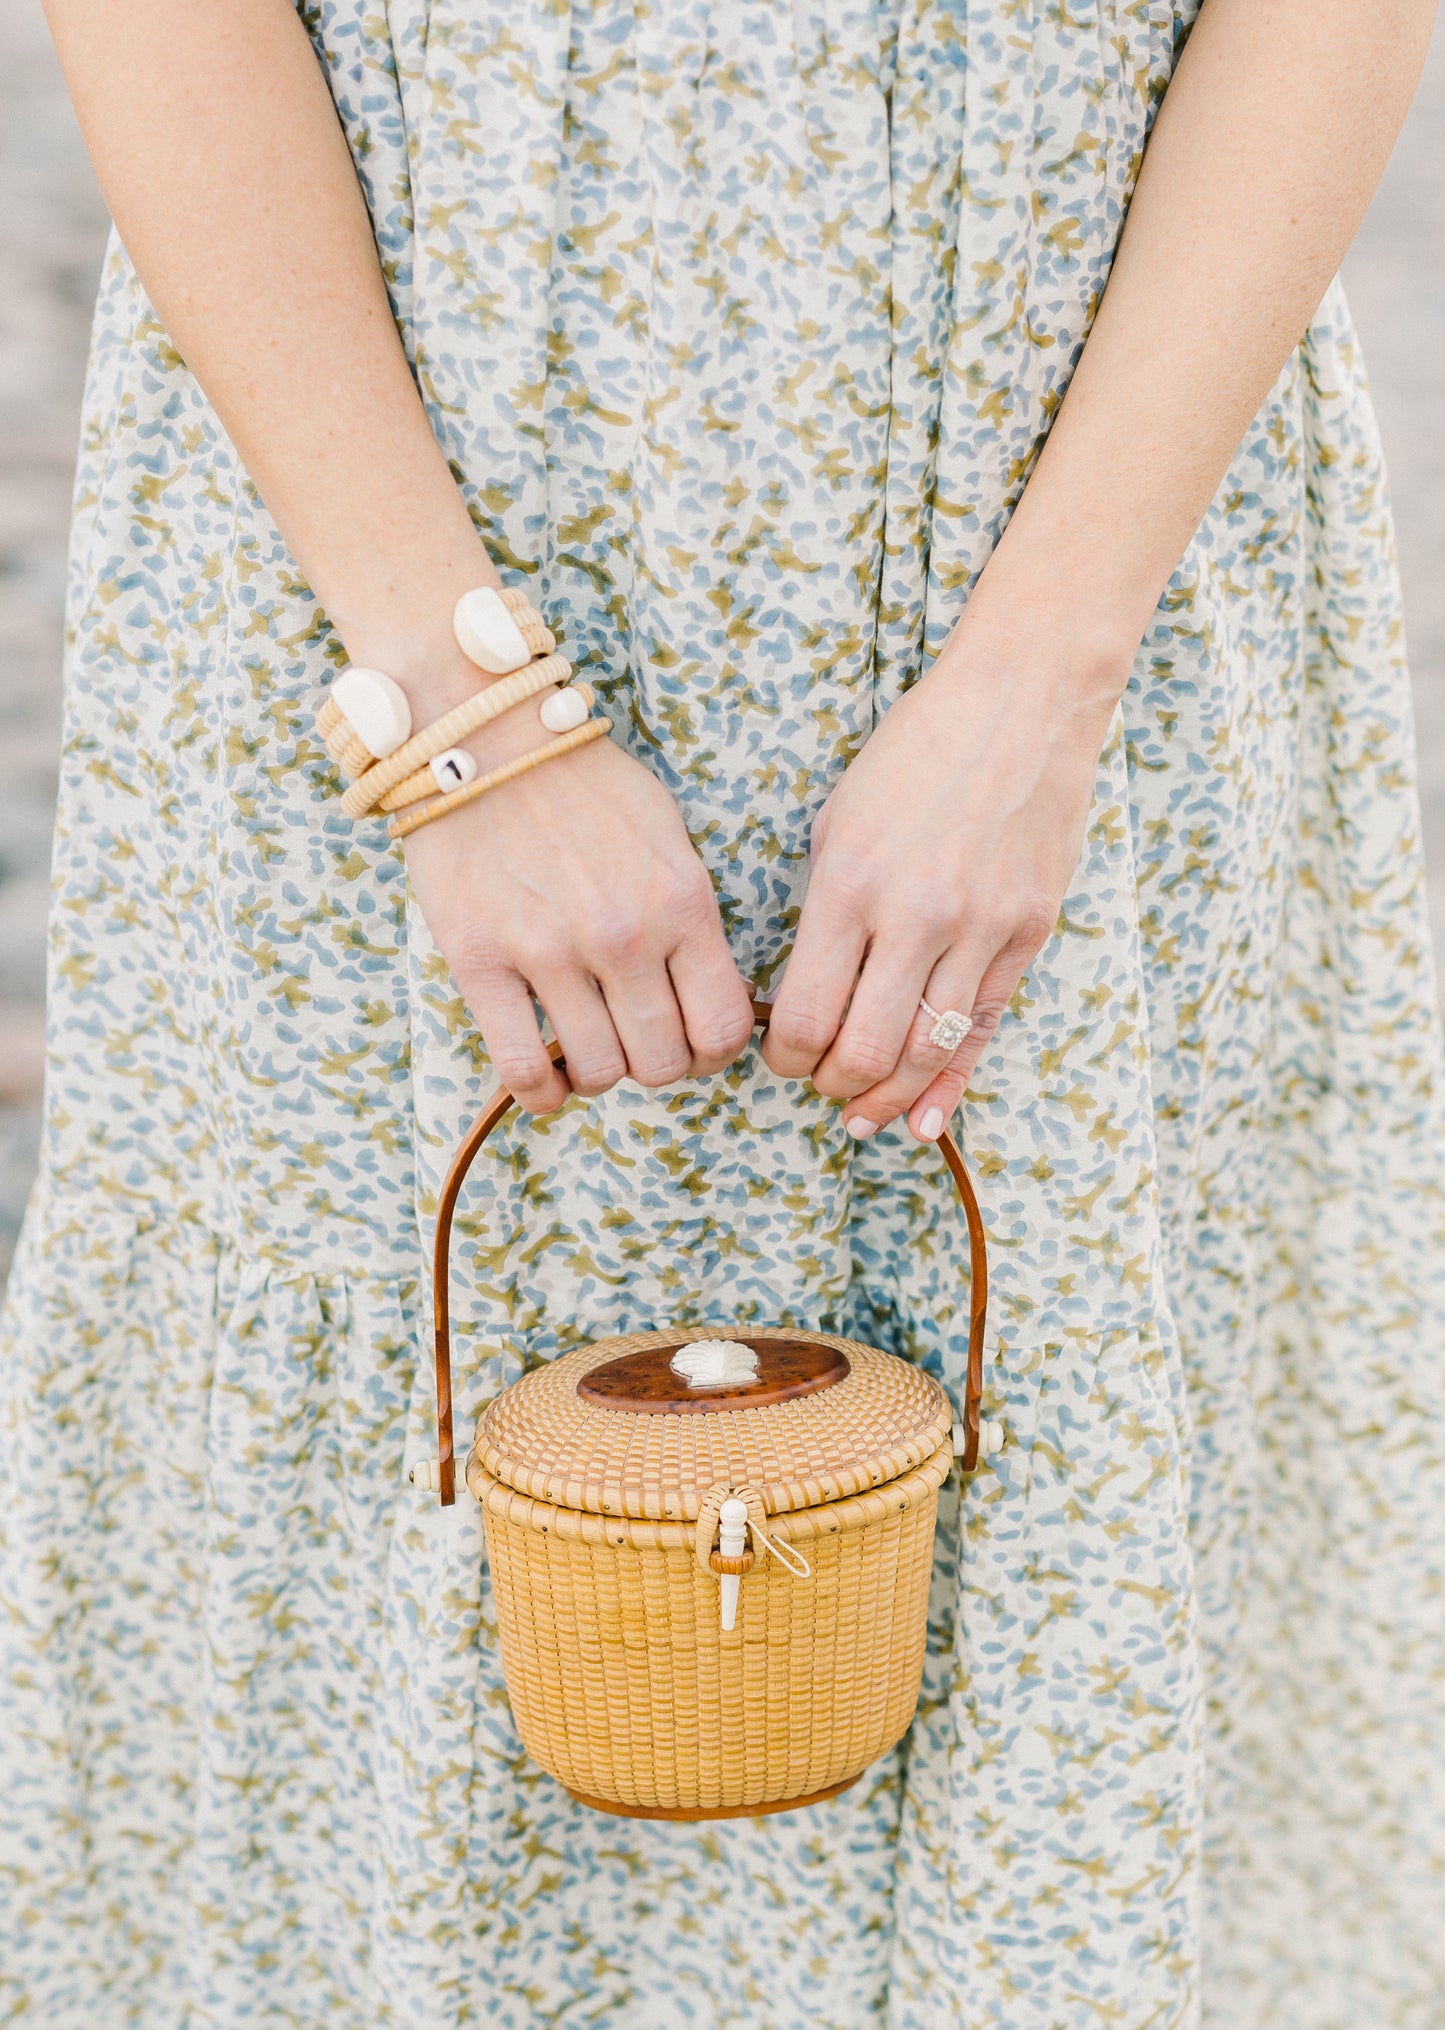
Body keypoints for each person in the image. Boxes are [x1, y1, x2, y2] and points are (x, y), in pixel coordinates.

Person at [3, 0, 1442, 2022]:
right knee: (376, 1504)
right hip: (388, 484)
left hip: (1094, 487)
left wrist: (1045, 683)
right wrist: (454, 711)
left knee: (1078, 1431)